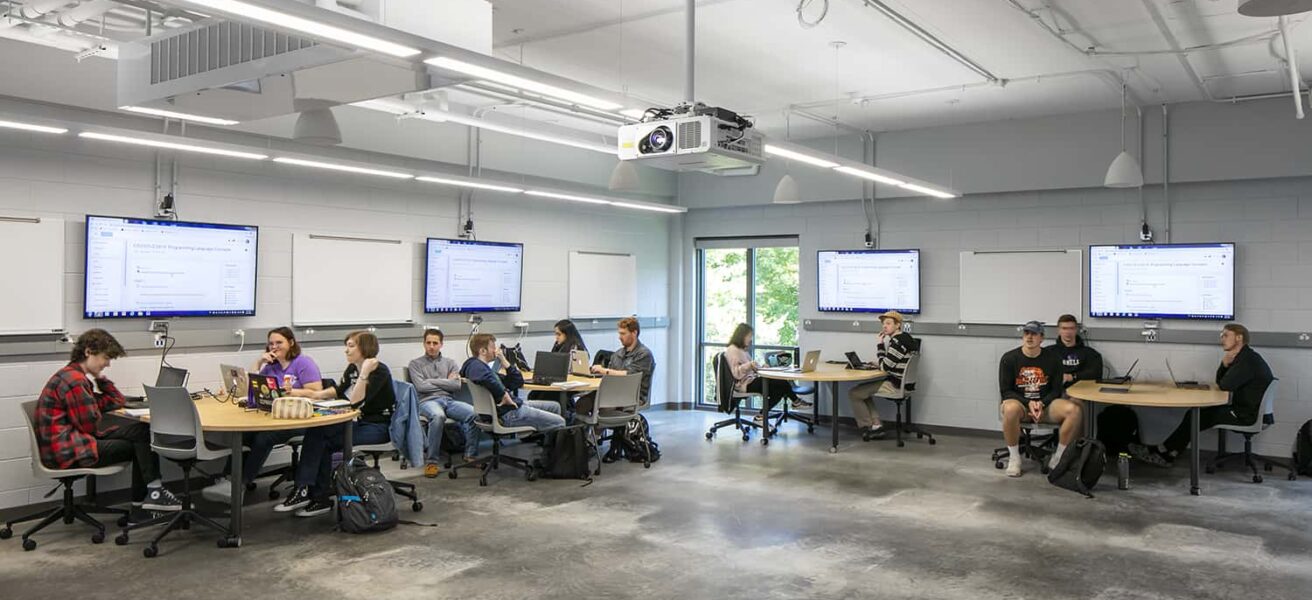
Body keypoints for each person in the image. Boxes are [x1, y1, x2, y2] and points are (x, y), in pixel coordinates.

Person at [36, 329, 180, 516]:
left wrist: (100, 379)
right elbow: (90, 426)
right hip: (67, 451)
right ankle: (145, 503)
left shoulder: (73, 376)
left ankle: (149, 497)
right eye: (105, 358)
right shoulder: (75, 381)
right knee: (140, 445)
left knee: (142, 431)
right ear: (88, 352)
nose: (108, 364)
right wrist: (96, 405)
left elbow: (115, 401)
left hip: (72, 442)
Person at [277, 331, 395, 517]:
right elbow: (338, 392)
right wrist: (302, 393)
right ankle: (305, 489)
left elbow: (355, 402)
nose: (346, 350)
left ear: (364, 348)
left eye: (351, 346)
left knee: (326, 442)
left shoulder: (379, 370)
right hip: (359, 422)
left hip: (378, 426)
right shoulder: (352, 368)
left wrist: (364, 373)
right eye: (346, 345)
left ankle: (318, 496)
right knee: (317, 433)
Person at [1128, 323, 1273, 467]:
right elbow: (1221, 383)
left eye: (1226, 335)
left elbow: (1224, 386)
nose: (1222, 339)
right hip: (1246, 410)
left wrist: (1224, 364)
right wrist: (1225, 364)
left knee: (1195, 417)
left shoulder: (1247, 360)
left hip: (1246, 415)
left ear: (1239, 338)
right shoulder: (1245, 357)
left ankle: (1166, 452)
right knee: (1195, 415)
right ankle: (1165, 450)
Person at [204, 327, 323, 501]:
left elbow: (316, 390)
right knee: (244, 435)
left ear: (291, 343)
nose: (274, 346)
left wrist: (291, 392)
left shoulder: (303, 362)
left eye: (279, 342)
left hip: (297, 418)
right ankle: (228, 479)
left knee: (264, 438)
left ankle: (240, 484)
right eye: (271, 343)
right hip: (274, 416)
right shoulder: (271, 366)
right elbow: (253, 385)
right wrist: (259, 362)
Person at [998, 321, 1082, 477]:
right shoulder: (1009, 358)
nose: (1029, 337)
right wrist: (1028, 403)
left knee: (1074, 410)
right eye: (1026, 333)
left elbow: (1056, 390)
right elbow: (1006, 391)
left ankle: (1057, 458)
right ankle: (1014, 458)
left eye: (1034, 334)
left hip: (1045, 405)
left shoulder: (1053, 359)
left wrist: (1041, 403)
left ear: (1041, 338)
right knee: (1009, 409)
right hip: (1021, 406)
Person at [408, 328, 478, 478]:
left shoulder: (450, 363)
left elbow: (457, 386)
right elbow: (421, 387)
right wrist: (447, 381)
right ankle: (432, 462)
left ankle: (470, 455)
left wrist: (431, 381)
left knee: (474, 413)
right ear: (424, 344)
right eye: (428, 343)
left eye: (435, 343)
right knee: (438, 416)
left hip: (449, 401)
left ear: (441, 344)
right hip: (427, 401)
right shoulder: (415, 364)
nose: (431, 346)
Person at [463, 333, 566, 431]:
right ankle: (558, 446)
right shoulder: (475, 366)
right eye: (493, 347)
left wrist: (504, 360)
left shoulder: (485, 369)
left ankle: (549, 445)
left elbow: (517, 382)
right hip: (509, 413)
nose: (496, 350)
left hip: (512, 407)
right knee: (560, 422)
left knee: (555, 406)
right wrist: (504, 394)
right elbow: (485, 378)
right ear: (483, 351)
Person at [847, 310, 916, 441]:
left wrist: (880, 344)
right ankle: (876, 424)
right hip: (904, 383)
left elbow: (886, 366)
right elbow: (890, 363)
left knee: (855, 393)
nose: (884, 326)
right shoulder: (906, 338)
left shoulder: (897, 342)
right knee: (862, 391)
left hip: (896, 385)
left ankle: (871, 427)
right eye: (883, 324)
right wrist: (881, 363)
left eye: (889, 323)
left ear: (898, 325)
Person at [722, 323, 800, 425]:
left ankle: (761, 416)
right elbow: (736, 373)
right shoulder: (733, 350)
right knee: (781, 384)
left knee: (779, 388)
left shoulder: (742, 350)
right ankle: (796, 401)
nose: (750, 339)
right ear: (742, 335)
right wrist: (749, 365)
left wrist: (761, 368)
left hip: (750, 380)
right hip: (743, 384)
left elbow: (749, 368)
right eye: (749, 336)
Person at [590, 317, 657, 406]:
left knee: (595, 404)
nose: (620, 337)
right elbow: (610, 377)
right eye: (619, 333)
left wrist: (604, 370)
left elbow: (630, 375)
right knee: (584, 403)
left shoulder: (644, 354)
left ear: (634, 333)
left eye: (623, 334)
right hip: (614, 392)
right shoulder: (617, 354)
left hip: (632, 396)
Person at [528, 319, 589, 402]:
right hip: (558, 381)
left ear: (567, 334)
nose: (556, 337)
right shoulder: (558, 345)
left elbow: (569, 370)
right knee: (533, 394)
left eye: (559, 334)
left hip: (569, 383)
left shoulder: (575, 347)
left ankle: (559, 412)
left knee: (542, 396)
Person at [1051, 314, 1103, 391]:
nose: (1068, 332)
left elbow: (1096, 374)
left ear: (1076, 330)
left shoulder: (1090, 353)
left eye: (1071, 328)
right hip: (1055, 392)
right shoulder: (1049, 352)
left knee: (1074, 402)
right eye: (1064, 328)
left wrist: (1073, 376)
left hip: (1080, 391)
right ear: (1059, 330)